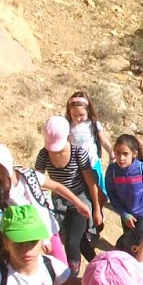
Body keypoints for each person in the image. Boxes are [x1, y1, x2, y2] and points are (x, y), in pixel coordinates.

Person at [37, 115, 102, 269]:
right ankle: (101, 267)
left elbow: (90, 182)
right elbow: (37, 180)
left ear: (68, 135)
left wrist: (97, 209)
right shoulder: (44, 154)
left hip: (80, 202)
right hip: (59, 204)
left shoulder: (78, 153)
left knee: (72, 242)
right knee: (79, 242)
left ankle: (72, 279)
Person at [104, 134, 143, 241]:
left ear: (134, 154)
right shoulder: (112, 170)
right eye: (118, 153)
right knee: (129, 241)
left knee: (138, 240)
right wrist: (124, 213)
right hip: (127, 213)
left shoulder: (142, 169)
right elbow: (112, 194)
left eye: (125, 154)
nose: (121, 158)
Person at [65, 91, 113, 195]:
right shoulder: (67, 125)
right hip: (75, 166)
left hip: (92, 163)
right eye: (74, 115)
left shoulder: (93, 124)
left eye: (81, 115)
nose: (78, 118)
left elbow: (103, 140)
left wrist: (111, 152)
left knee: (97, 189)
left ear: (88, 110)